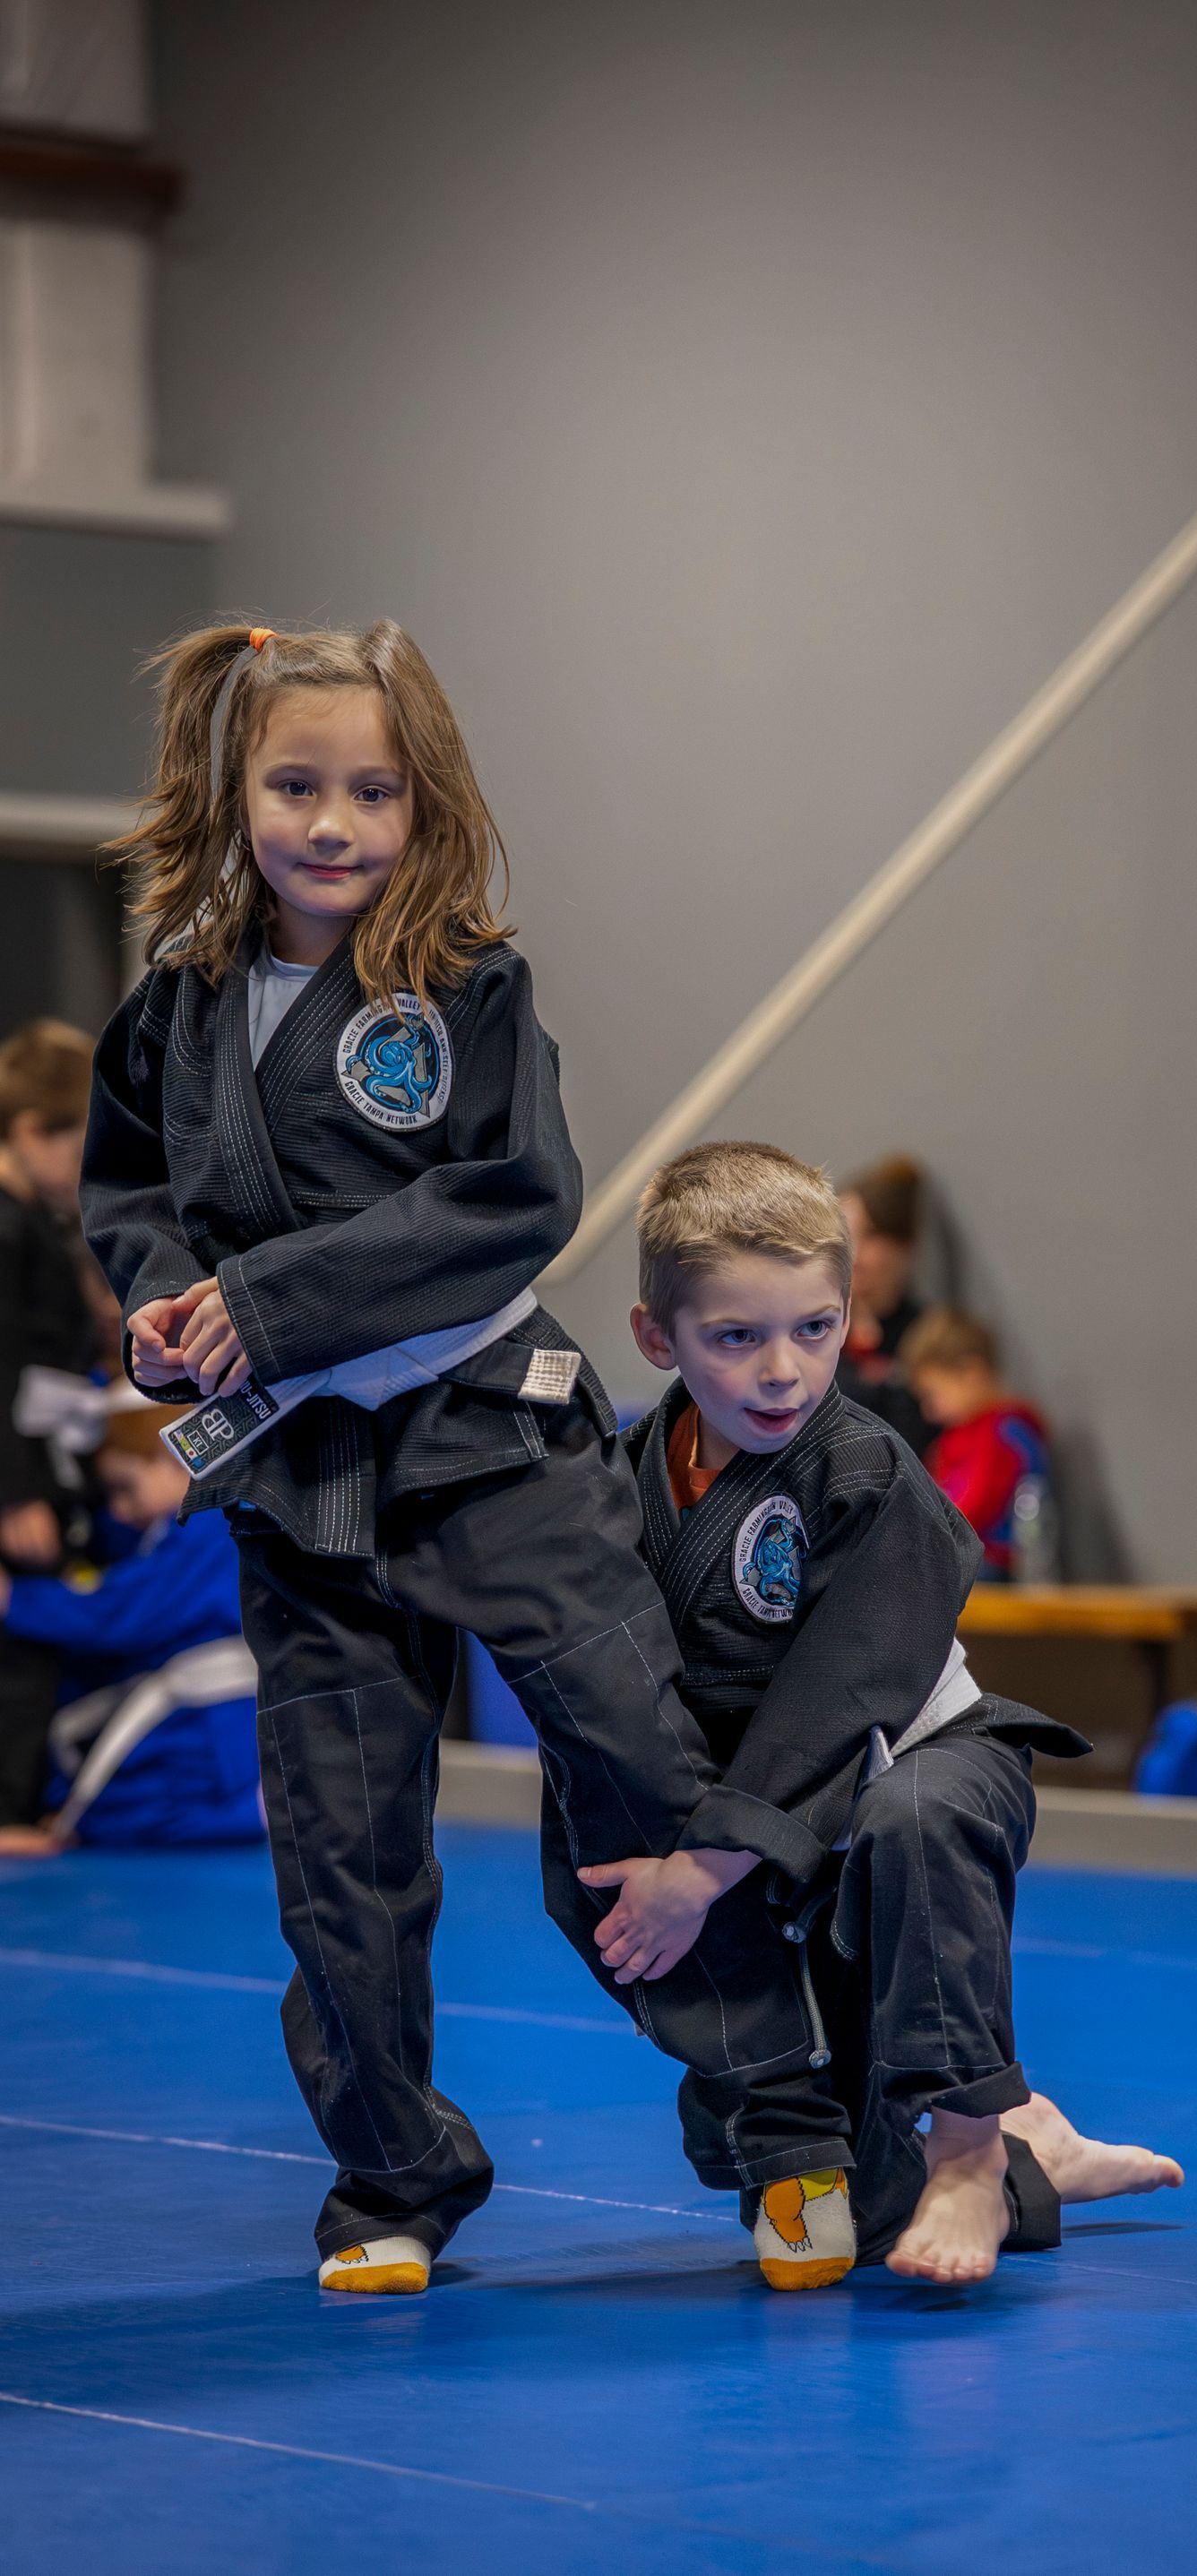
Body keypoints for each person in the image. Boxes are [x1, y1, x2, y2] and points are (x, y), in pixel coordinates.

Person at [81, 621, 852, 2296]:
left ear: (427, 805)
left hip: (496, 1451)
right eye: (297, 786)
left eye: (373, 790)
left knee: (641, 1767)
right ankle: (389, 2175)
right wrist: (163, 1315)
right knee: (340, 1845)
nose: (335, 823)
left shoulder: (469, 987)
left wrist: (265, 1304)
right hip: (301, 1487)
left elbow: (514, 1200)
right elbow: (131, 1201)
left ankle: (785, 2124)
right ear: (234, 793)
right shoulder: (177, 1005)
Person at [587, 1141, 1182, 2287]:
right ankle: (1029, 2139)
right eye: (736, 1337)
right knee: (863, 2202)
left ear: (850, 1313)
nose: (782, 1373)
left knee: (917, 1811)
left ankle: (969, 2152)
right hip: (786, 1821)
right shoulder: (627, 1476)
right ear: (657, 1338)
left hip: (926, 1758)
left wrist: (704, 1868)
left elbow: (844, 1693)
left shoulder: (867, 1469)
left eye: (814, 1330)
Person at [0, 1398, 261, 1857]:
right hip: (206, 1721)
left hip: (202, 1724)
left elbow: (120, 1613)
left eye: (126, 1487)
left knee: (146, 1812)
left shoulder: (209, 1522)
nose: (119, 1510)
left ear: (173, 1458)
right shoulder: (193, 1528)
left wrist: (16, 1599)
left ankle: (261, 1813)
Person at [0, 1019, 99, 1831]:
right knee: (17, 1650)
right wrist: (14, 1494)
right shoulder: (7, 1225)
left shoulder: (34, 1222)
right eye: (80, 1144)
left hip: (40, 1459)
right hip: (17, 1477)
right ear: (33, 1130)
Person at [900, 1305, 1053, 1581]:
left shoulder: (1003, 1433)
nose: (928, 1410)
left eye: (932, 1394)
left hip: (996, 1565)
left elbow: (974, 1507)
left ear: (971, 1373)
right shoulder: (957, 1437)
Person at [835, 1152, 933, 1452]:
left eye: (871, 1236)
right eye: (845, 1234)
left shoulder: (927, 1337)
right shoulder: (809, 1329)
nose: (855, 1254)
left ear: (905, 1245)